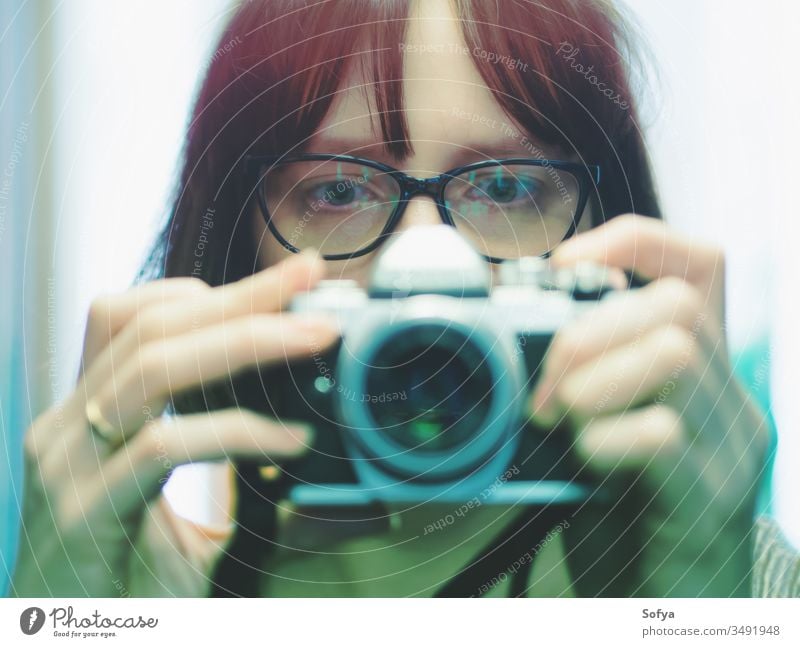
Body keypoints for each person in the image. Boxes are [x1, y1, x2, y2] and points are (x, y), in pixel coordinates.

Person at [11, 0, 777, 597]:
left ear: (611, 237)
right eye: (338, 189)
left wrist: (698, 602)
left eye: (507, 187)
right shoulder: (148, 591)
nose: (419, 262)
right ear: (238, 254)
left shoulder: (733, 573)